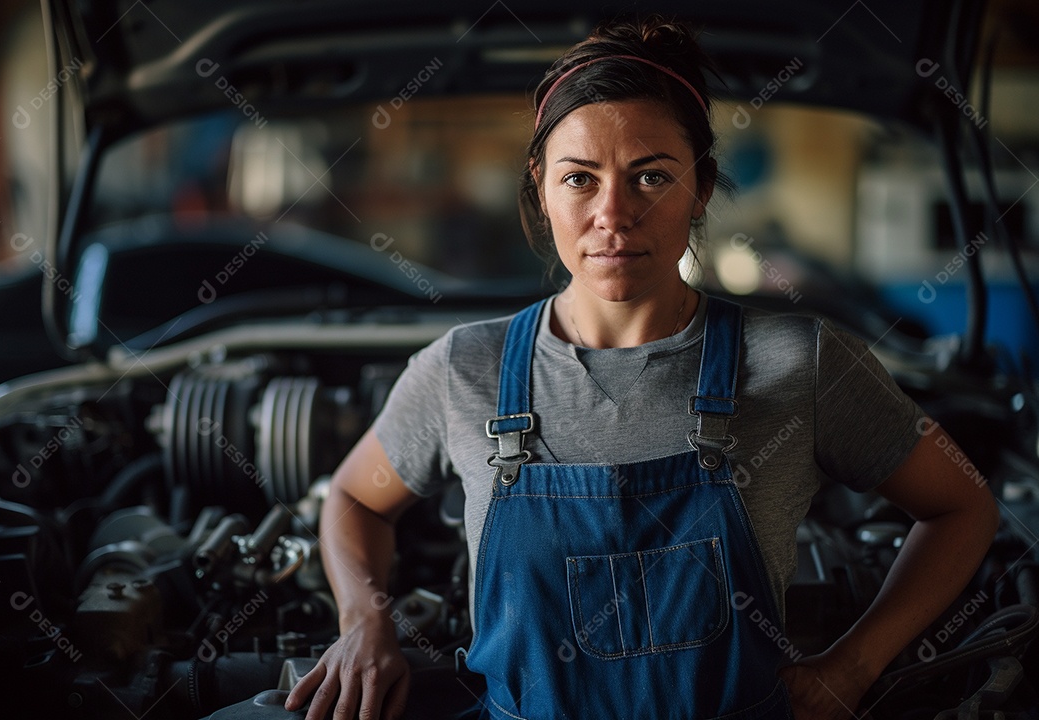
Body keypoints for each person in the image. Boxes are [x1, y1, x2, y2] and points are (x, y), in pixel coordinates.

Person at [285, 15, 999, 720]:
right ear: (540, 186)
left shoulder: (799, 362)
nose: (614, 214)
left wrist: (855, 666)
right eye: (579, 178)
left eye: (651, 176)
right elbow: (353, 501)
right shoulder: (464, 369)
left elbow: (962, 508)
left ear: (702, 187)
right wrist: (364, 622)